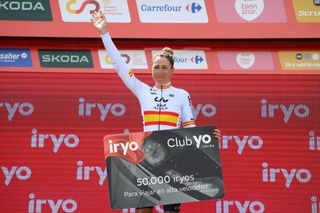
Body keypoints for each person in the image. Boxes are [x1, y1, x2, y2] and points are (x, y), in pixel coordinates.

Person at [91, 11, 221, 213]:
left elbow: (190, 130)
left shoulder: (181, 95)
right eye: (156, 67)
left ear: (172, 71)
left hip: (175, 162)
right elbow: (119, 65)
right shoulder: (142, 90)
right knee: (143, 211)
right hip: (145, 159)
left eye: (164, 67)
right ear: (151, 69)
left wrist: (208, 139)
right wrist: (105, 33)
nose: (159, 71)